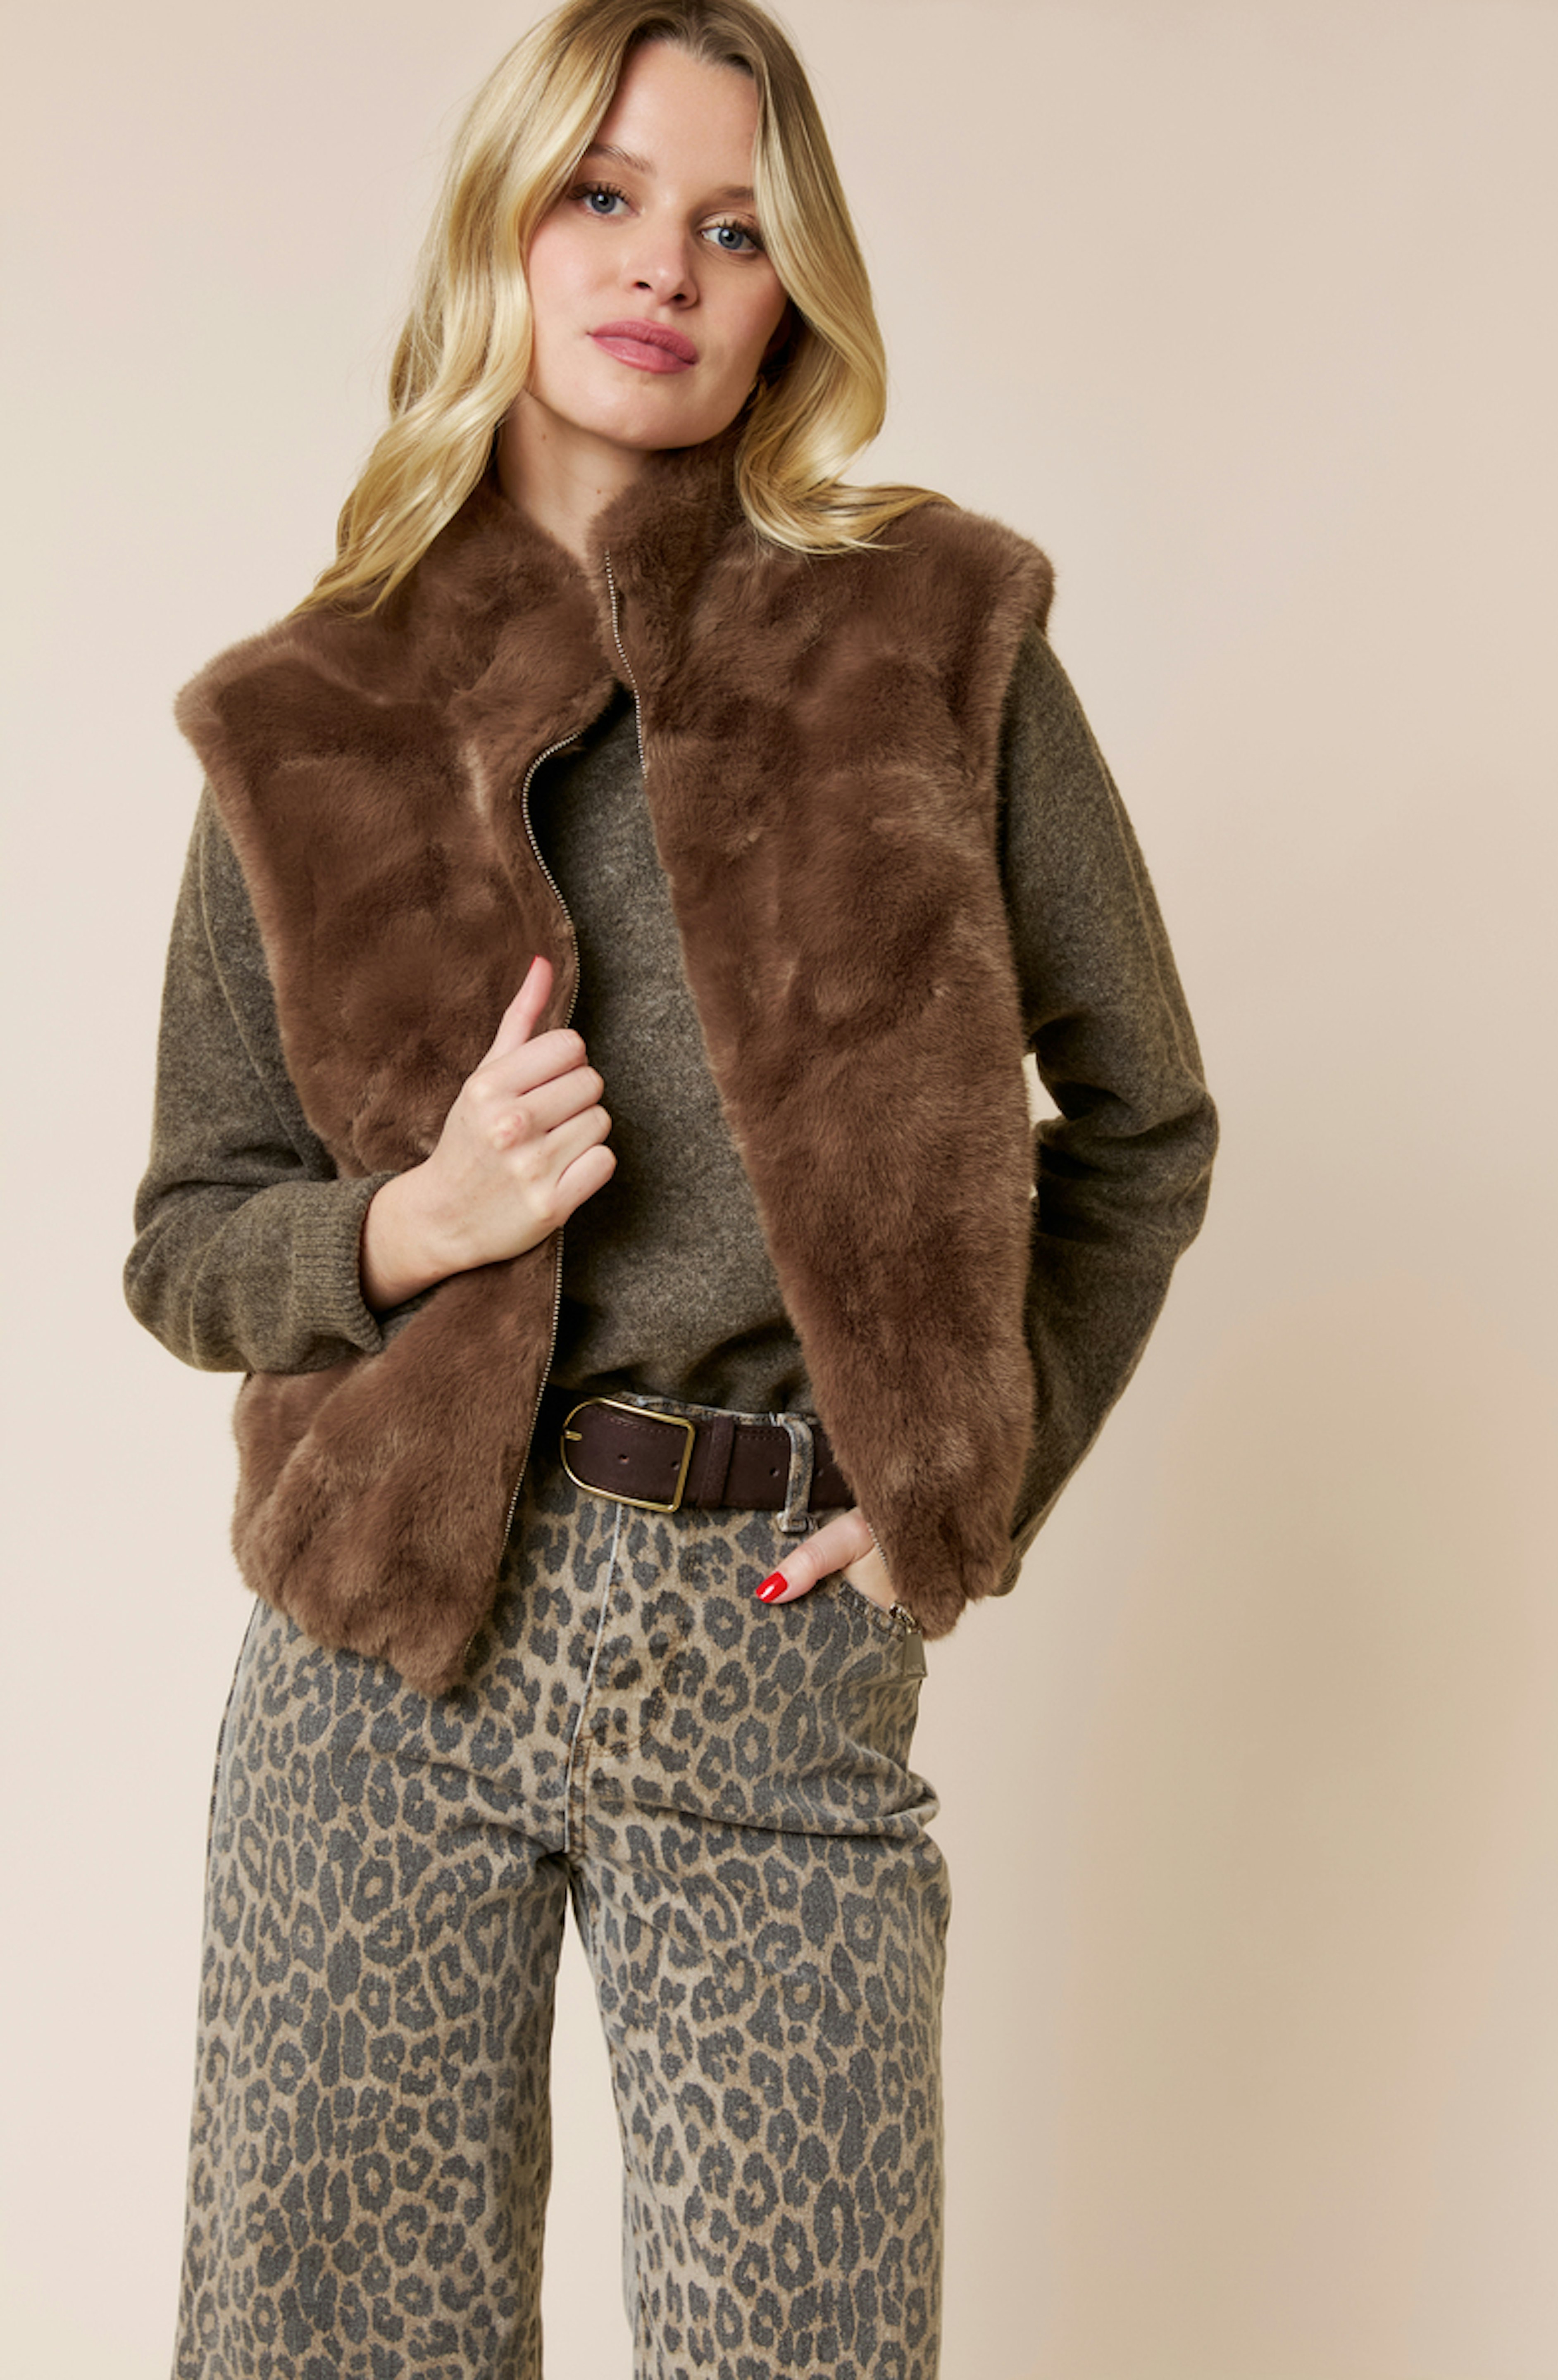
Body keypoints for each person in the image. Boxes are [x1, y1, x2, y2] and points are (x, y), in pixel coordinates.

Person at [126, 2, 1217, 2373]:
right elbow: (188, 1237)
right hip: (385, 1654)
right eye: (605, 197)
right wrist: (411, 1225)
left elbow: (1144, 1123)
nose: (664, 267)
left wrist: (966, 1474)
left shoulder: (937, 634)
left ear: (793, 290)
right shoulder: (303, 715)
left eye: (735, 228)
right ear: (500, 233)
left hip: (768, 1643)